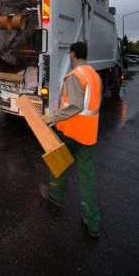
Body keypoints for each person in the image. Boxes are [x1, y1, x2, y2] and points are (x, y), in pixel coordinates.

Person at [40, 41, 102, 239]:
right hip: (89, 134)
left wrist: (52, 117)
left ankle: (56, 196)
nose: (69, 56)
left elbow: (74, 105)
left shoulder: (75, 76)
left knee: (59, 163)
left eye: (69, 53)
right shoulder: (94, 75)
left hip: (71, 132)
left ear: (73, 55)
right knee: (87, 177)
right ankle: (92, 222)